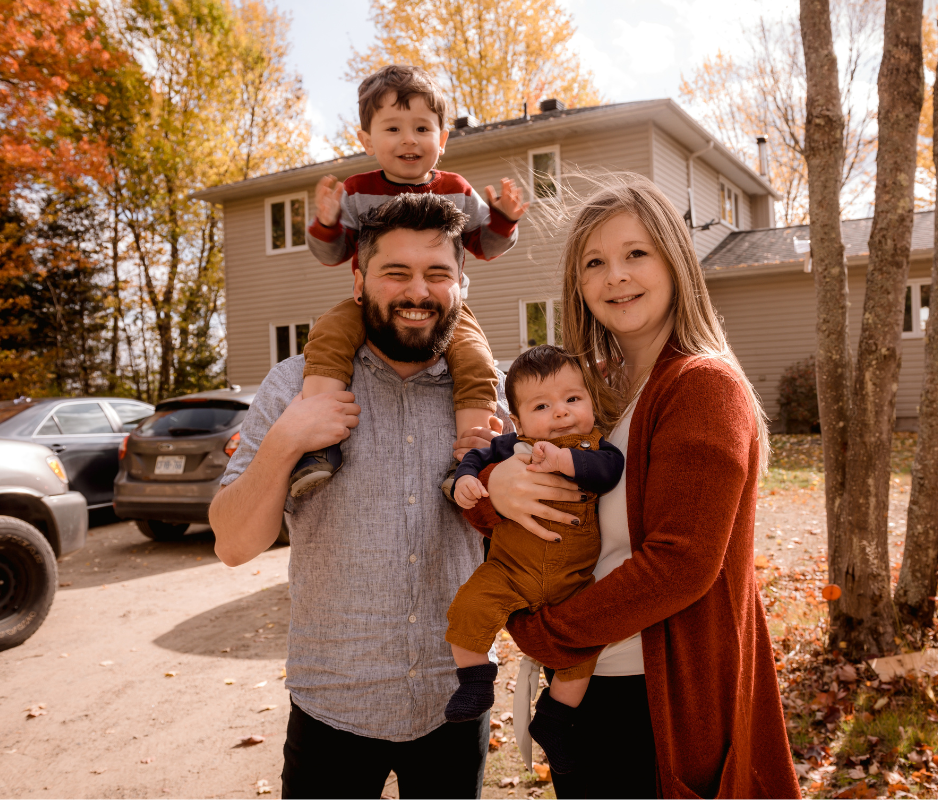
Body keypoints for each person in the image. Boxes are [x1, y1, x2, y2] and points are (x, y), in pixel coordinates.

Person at [463, 179, 802, 798]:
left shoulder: (701, 386)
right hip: (589, 690)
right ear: (578, 283)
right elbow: (509, 485)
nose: (615, 276)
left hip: (653, 701)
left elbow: (680, 565)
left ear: (674, 259)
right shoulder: (590, 394)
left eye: (635, 254)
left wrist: (543, 632)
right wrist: (495, 479)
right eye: (595, 262)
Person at [209, 193, 505, 800]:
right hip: (330, 710)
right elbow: (235, 544)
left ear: (461, 283)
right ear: (358, 278)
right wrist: (288, 437)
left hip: (454, 702)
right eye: (396, 272)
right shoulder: (295, 384)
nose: (417, 292)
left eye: (437, 274)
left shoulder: (491, 399)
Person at [292, 63, 528, 497]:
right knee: (327, 336)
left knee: (476, 361)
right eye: (393, 128)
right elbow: (333, 254)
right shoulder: (357, 190)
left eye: (422, 128)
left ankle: (470, 461)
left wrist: (505, 219)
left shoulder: (456, 188)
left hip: (446, 314)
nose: (408, 139)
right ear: (366, 140)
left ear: (442, 139)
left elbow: (484, 245)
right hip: (371, 306)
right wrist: (327, 223)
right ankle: (317, 446)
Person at [445, 345, 624, 775]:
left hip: (573, 582)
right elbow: (475, 455)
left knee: (583, 653)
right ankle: (475, 681)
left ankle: (554, 719)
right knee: (467, 608)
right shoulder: (512, 446)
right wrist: (465, 479)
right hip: (510, 571)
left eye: (572, 399)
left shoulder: (597, 447)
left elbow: (609, 472)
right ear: (519, 421)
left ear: (590, 402)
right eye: (542, 405)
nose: (561, 413)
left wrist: (566, 459)